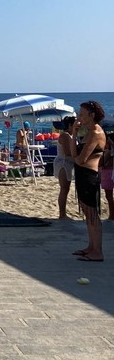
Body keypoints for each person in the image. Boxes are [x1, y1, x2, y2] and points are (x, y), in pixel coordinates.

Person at [70, 101, 106, 262]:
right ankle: (91, 246)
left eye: (82, 114)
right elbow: (72, 154)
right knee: (87, 212)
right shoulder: (88, 132)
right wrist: (74, 134)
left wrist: (76, 158)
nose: (79, 117)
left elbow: (81, 160)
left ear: (92, 115)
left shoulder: (95, 133)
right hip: (82, 174)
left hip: (89, 175)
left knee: (92, 215)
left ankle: (97, 251)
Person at [53, 116, 76, 219]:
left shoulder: (71, 135)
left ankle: (63, 213)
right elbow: (68, 152)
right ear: (70, 125)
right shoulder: (65, 136)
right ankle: (62, 214)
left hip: (68, 163)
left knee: (65, 189)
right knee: (64, 189)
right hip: (64, 163)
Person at [100, 132, 114, 221]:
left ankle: (112, 215)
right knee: (109, 196)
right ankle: (112, 215)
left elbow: (102, 163)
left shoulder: (108, 151)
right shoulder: (106, 150)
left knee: (109, 196)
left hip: (107, 171)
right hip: (106, 172)